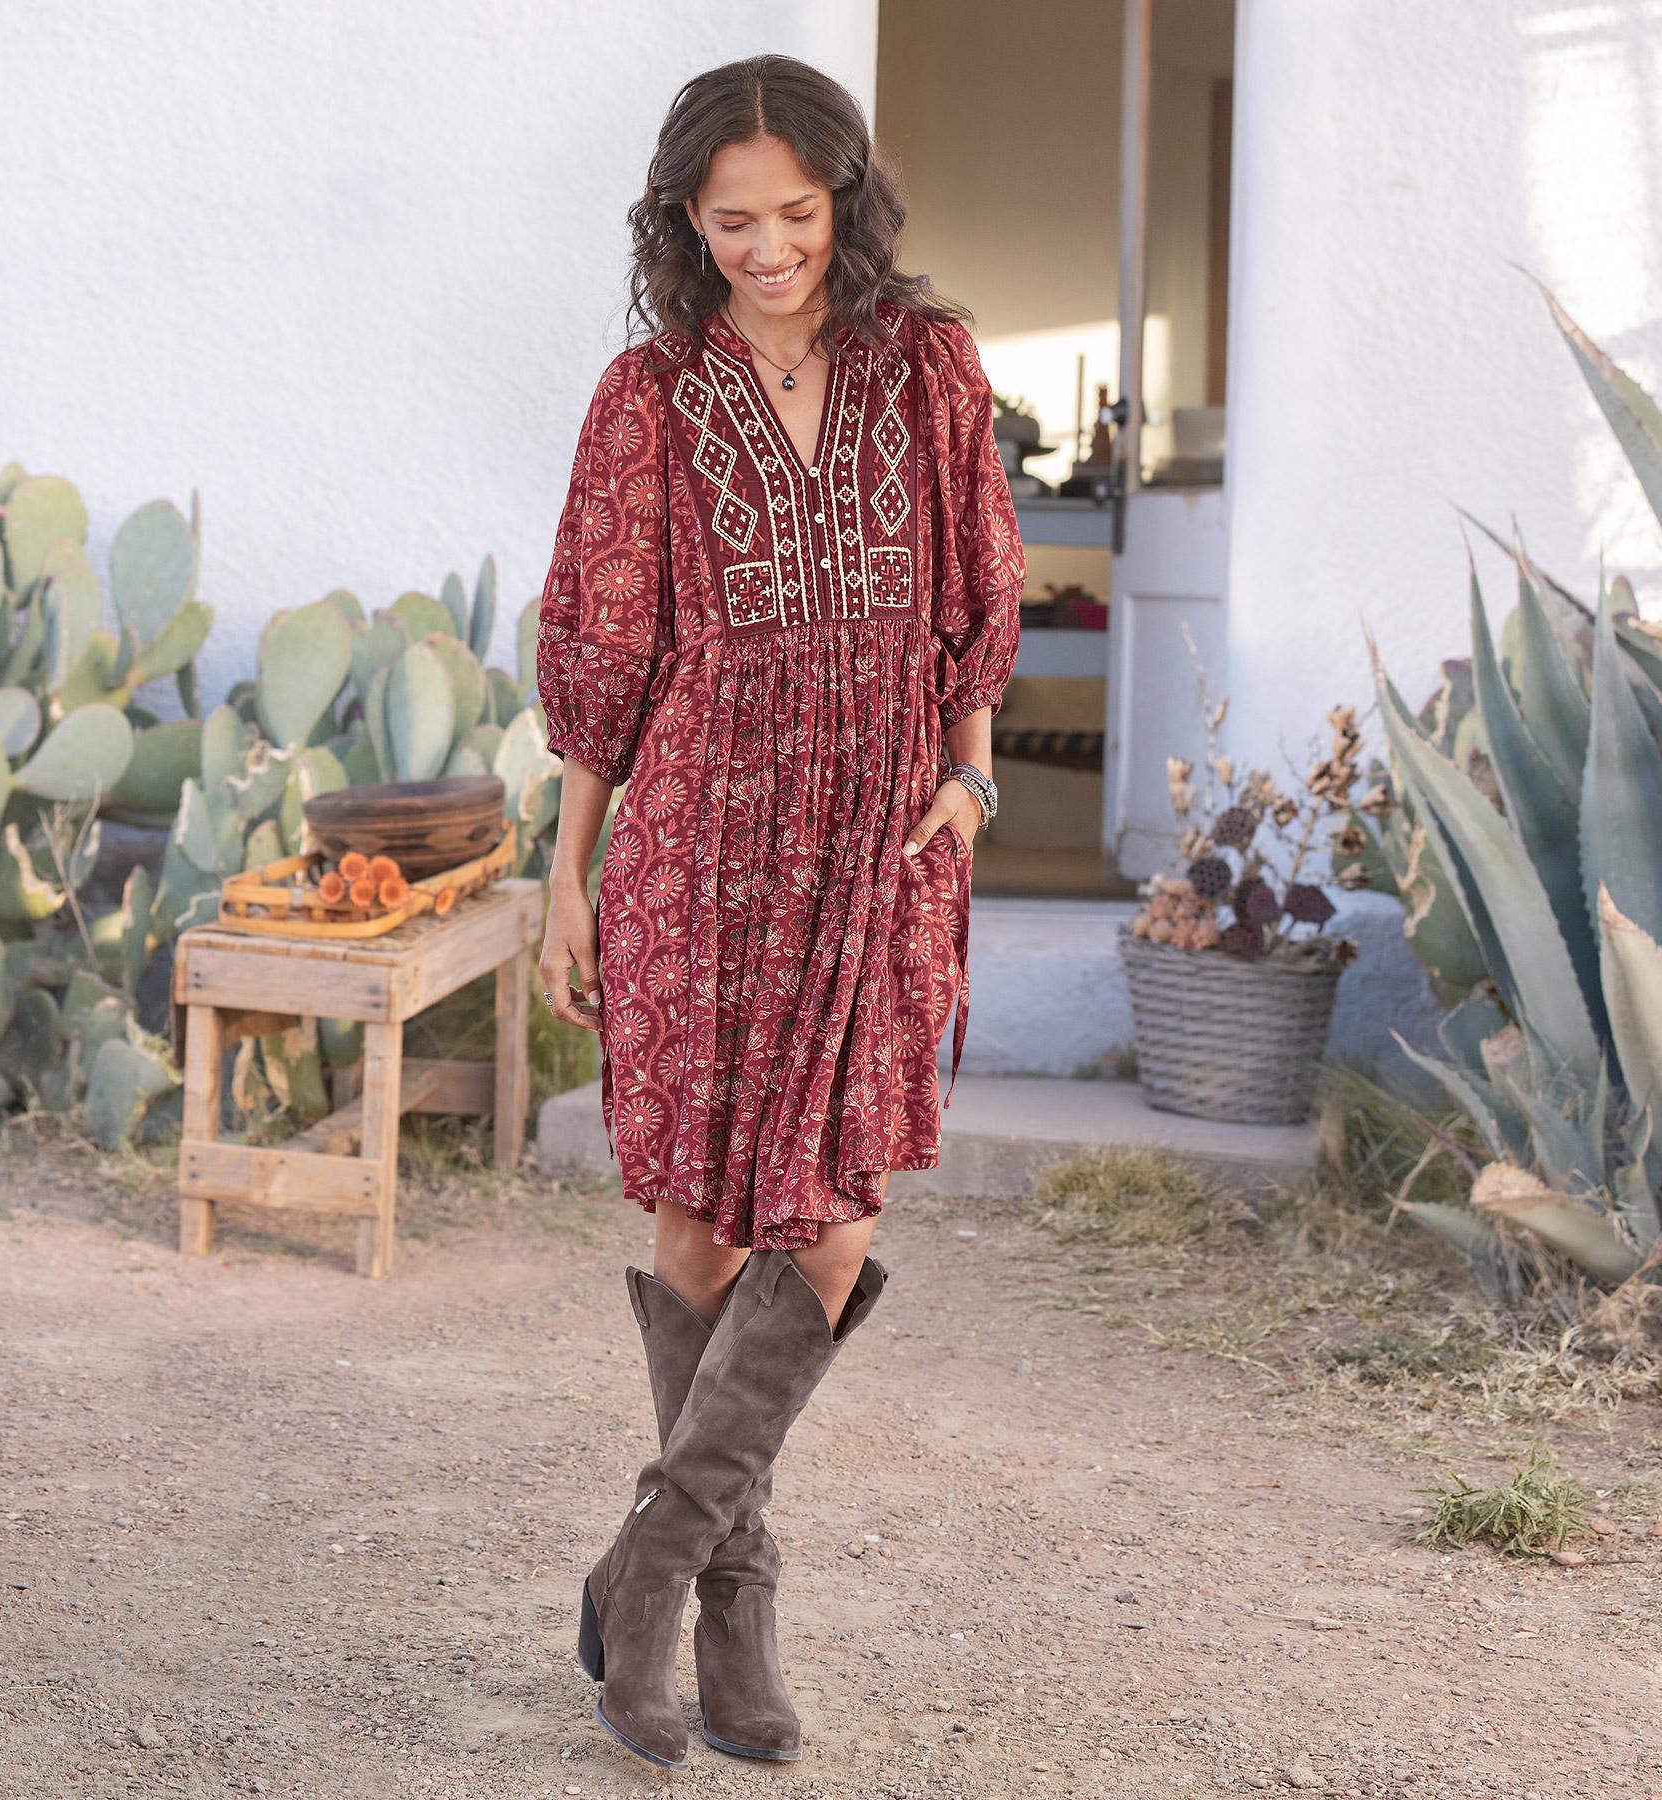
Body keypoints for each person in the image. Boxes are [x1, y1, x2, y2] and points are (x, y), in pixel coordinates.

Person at [534, 52, 1023, 1772]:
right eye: (729, 220)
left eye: (796, 214)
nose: (765, 247)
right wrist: (567, 872)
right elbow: (606, 646)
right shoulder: (648, 395)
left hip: (882, 831)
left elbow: (976, 590)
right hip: (699, 832)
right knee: (698, 1220)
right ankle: (725, 1613)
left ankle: (651, 1574)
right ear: (685, 219)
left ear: (847, 202)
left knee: (830, 1221)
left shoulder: (930, 365)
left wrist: (970, 783)